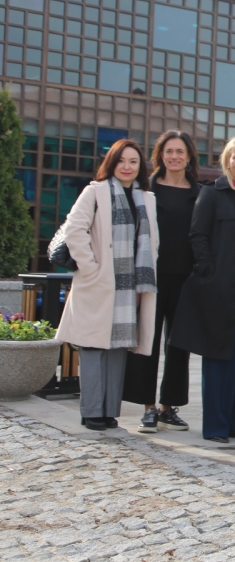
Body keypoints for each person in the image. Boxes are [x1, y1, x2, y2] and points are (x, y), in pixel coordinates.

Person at [170, 137, 235, 443]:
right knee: (218, 359)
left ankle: (229, 425)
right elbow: (197, 235)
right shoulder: (213, 193)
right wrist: (210, 273)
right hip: (220, 290)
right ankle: (214, 427)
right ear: (226, 161)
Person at [56, 139, 158, 431]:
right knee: (92, 347)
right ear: (111, 163)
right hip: (98, 282)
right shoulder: (95, 191)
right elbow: (74, 229)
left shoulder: (145, 198)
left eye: (133, 162)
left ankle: (109, 410)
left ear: (140, 167)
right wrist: (90, 268)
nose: (127, 167)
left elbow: (151, 242)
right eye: (121, 161)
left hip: (130, 286)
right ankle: (91, 411)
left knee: (118, 347)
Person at [123, 131, 200, 434]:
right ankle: (148, 408)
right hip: (151, 278)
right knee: (148, 342)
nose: (174, 157)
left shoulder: (200, 193)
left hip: (186, 279)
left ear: (189, 156)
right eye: (169, 151)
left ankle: (169, 407)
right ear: (160, 155)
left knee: (178, 344)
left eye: (180, 151)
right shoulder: (145, 189)